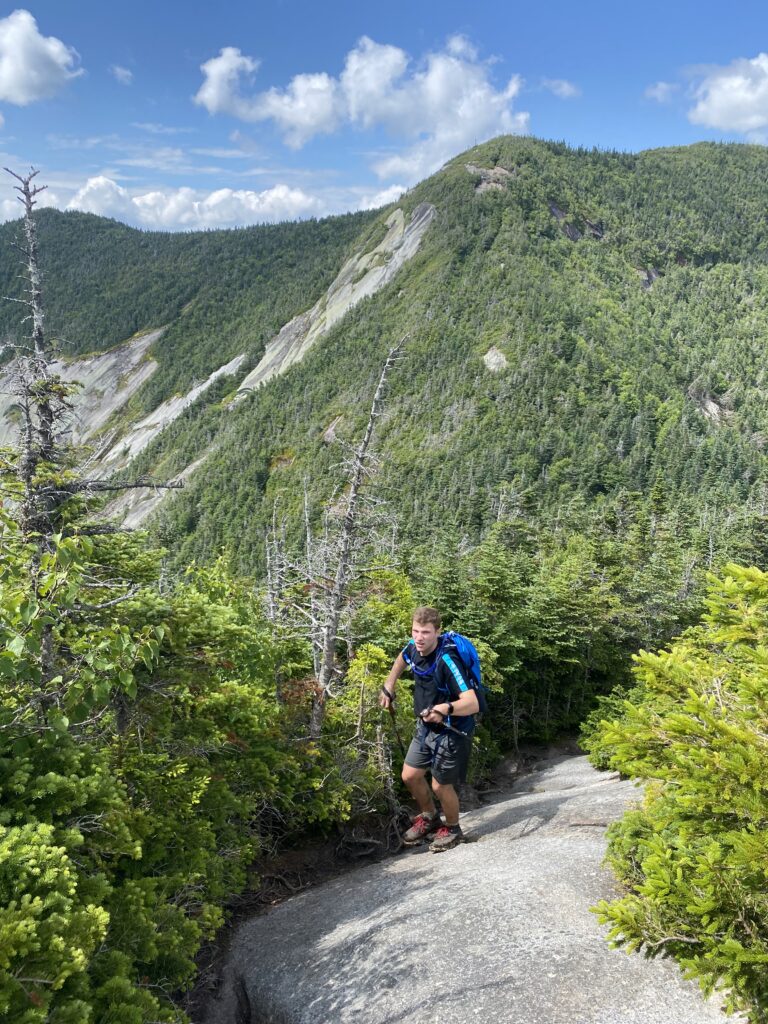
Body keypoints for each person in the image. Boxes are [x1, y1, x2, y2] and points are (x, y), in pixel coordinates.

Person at [379, 606, 479, 852]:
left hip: (452, 729)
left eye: (425, 632)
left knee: (440, 785)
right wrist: (389, 685)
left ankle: (453, 828)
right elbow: (402, 658)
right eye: (415, 631)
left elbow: (472, 702)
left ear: (437, 632)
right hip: (426, 725)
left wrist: (445, 708)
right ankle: (430, 816)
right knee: (410, 776)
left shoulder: (447, 659)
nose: (419, 637)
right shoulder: (413, 647)